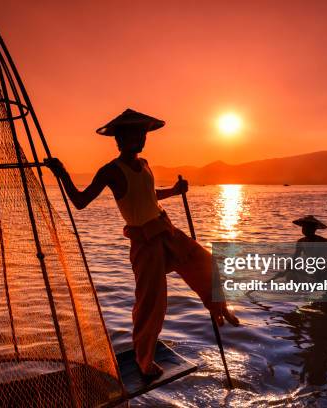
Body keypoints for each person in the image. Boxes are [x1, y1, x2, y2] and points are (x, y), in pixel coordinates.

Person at [45, 109, 239, 378]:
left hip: (166, 231)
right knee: (152, 304)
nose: (140, 137)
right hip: (145, 243)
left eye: (142, 133)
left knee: (204, 261)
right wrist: (62, 173)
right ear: (120, 139)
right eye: (134, 133)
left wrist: (174, 190)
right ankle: (144, 361)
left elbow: (149, 195)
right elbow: (80, 201)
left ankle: (219, 308)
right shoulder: (110, 171)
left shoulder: (145, 163)